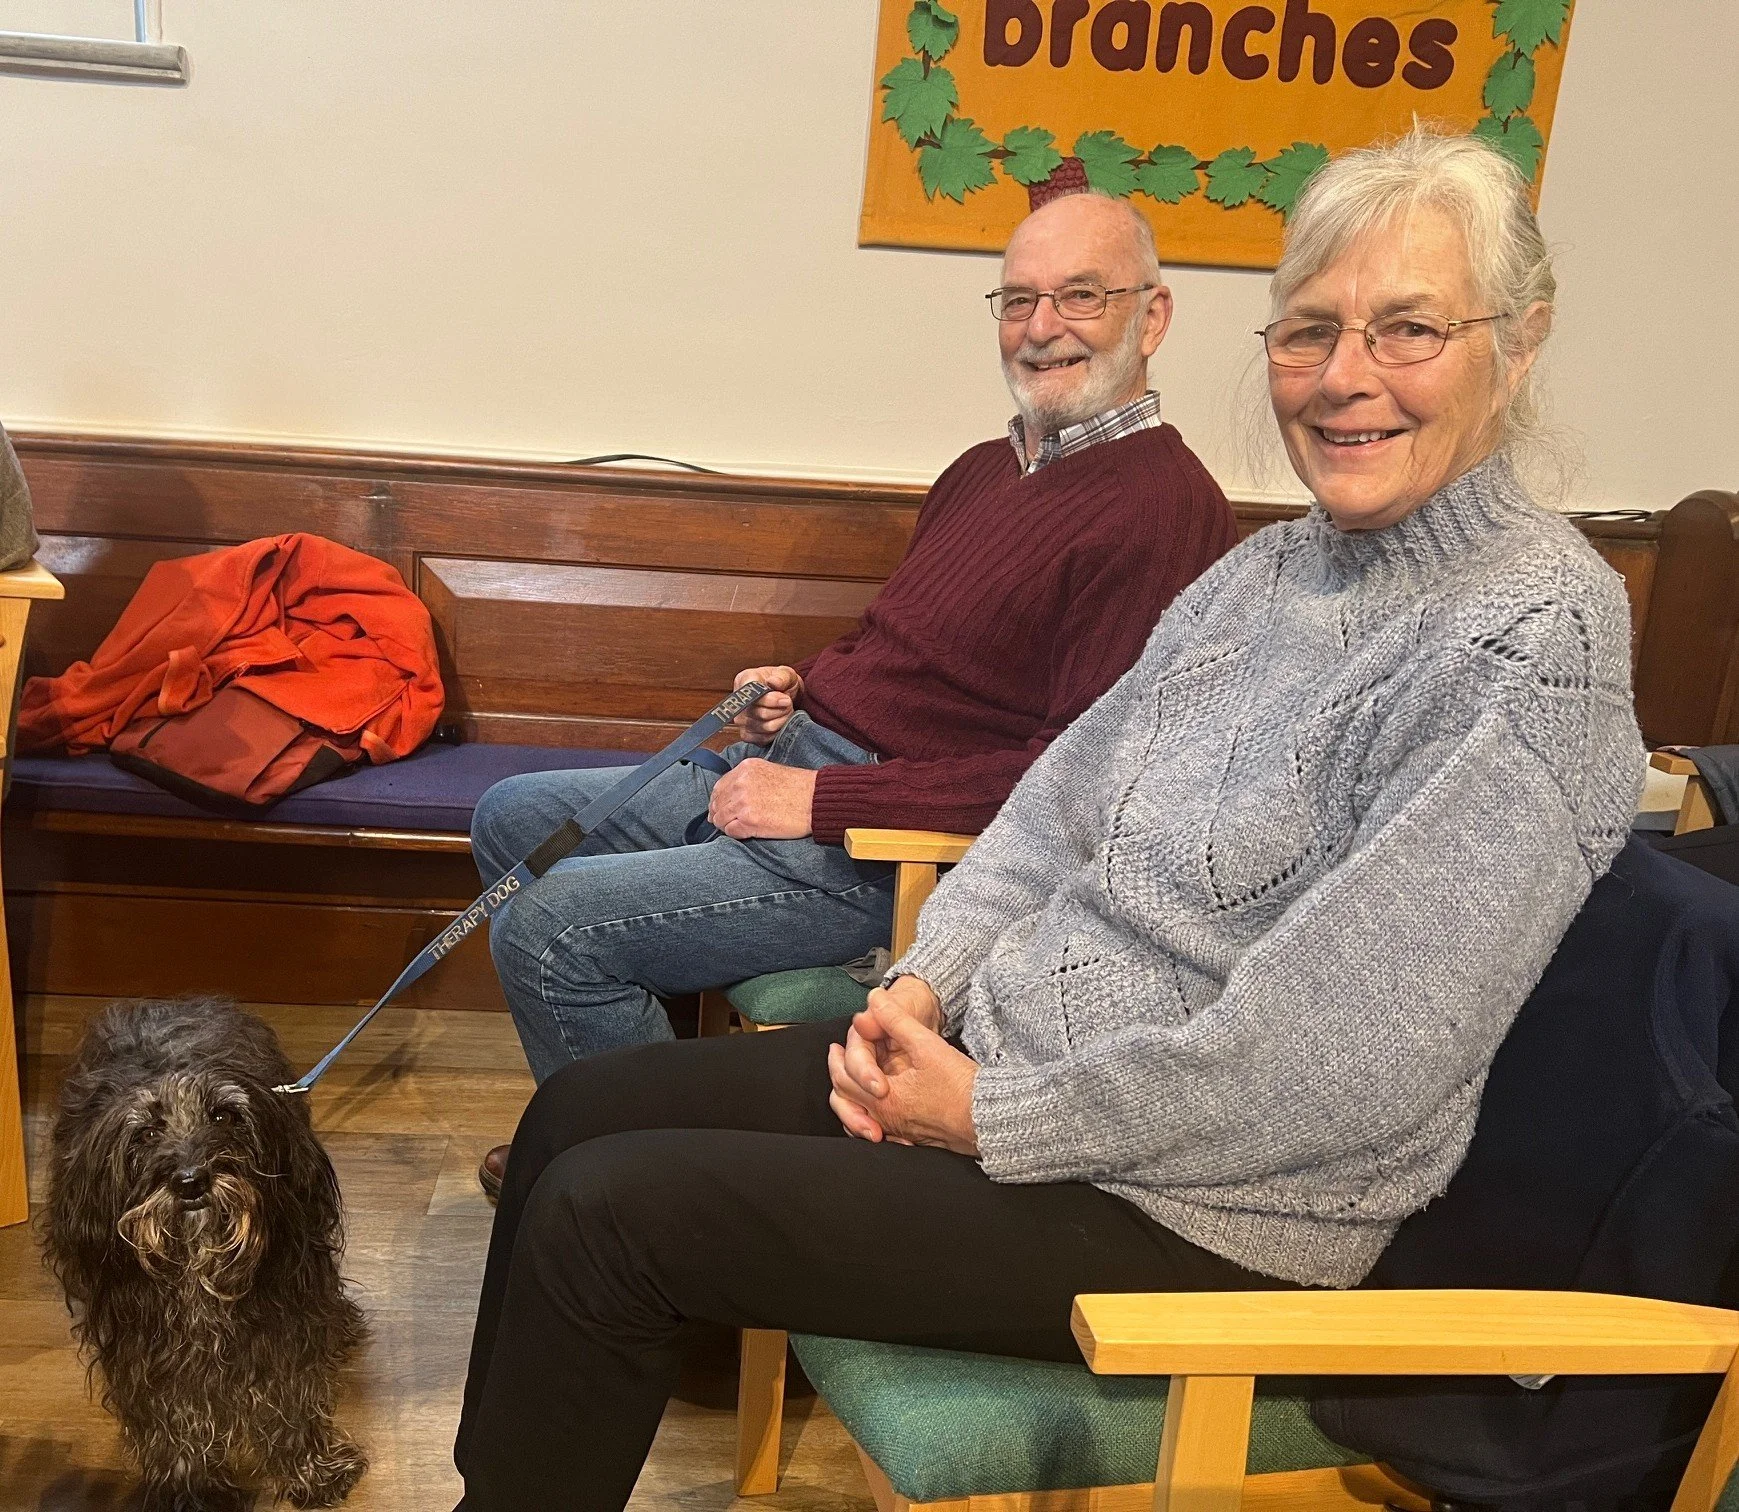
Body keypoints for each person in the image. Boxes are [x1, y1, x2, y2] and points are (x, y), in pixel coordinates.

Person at [450, 127, 1646, 1511]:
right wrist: (920, 984)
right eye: (1306, 331)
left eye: (1408, 330)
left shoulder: (1529, 638)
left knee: (613, 1219)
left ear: (1519, 342)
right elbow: (1048, 808)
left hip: (1201, 1207)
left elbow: (1333, 1071)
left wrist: (990, 1114)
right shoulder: (1268, 571)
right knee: (576, 1123)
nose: (1342, 379)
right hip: (1010, 1075)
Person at [467, 191, 1237, 1194]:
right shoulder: (982, 469)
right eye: (1016, 300)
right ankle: (599, 1126)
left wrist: (824, 800)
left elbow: (1078, 790)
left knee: (546, 927)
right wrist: (805, 694)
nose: (1041, 328)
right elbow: (907, 656)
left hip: (873, 856)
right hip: (788, 775)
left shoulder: (1163, 509)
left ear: (1153, 315)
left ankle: (629, 1197)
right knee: (512, 817)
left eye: (1079, 296)